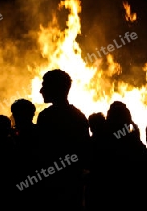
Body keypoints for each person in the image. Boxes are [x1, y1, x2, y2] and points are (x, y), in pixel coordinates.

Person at [36, 69, 90, 211]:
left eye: (45, 85)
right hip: (73, 185)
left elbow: (40, 152)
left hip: (51, 186)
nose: (41, 90)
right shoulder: (79, 116)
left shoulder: (46, 117)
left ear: (55, 88)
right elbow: (84, 153)